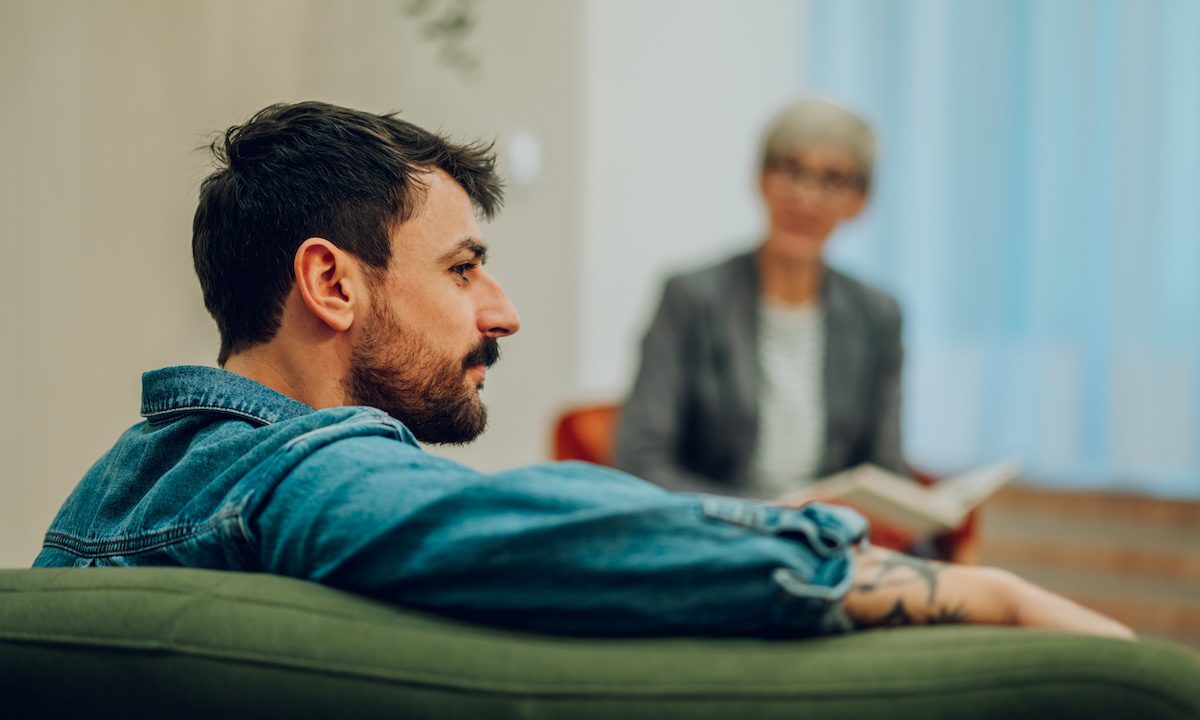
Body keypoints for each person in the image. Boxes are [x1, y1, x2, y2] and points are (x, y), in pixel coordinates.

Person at [34, 101, 1130, 641]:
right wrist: (980, 591)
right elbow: (559, 529)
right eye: (464, 268)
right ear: (332, 283)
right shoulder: (301, 477)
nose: (502, 311)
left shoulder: (117, 485)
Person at [615, 99, 911, 505]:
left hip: (826, 540)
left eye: (831, 179)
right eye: (791, 170)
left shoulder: (877, 316)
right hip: (719, 531)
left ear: (859, 202)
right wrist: (767, 519)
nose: (805, 197)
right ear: (761, 179)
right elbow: (639, 459)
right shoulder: (691, 298)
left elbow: (885, 468)